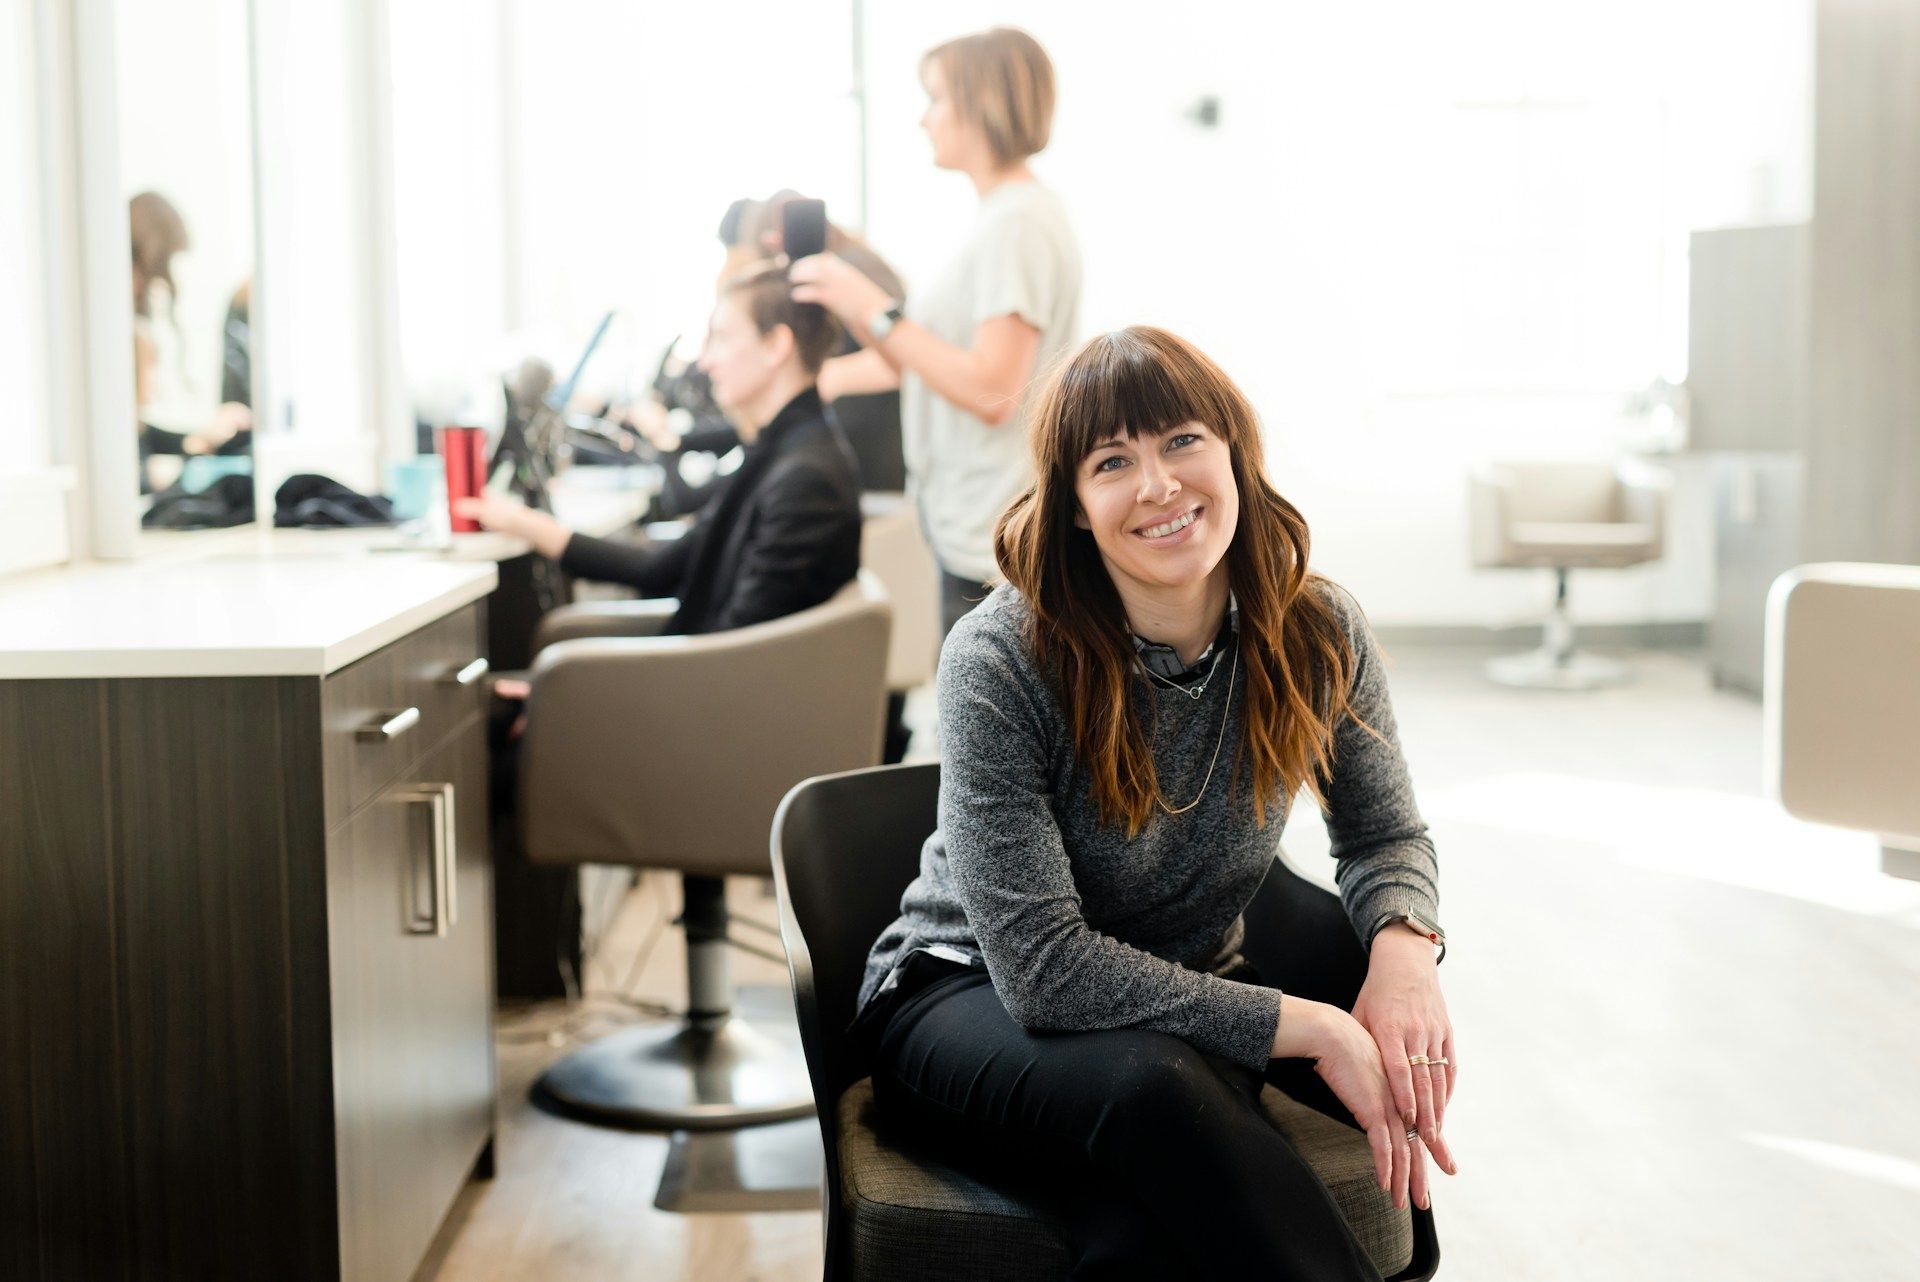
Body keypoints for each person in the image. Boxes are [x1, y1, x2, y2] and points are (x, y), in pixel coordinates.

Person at [853, 328, 1457, 1278]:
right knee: (1158, 1093)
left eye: (1181, 441)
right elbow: (1044, 971)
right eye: (1113, 462)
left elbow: (1384, 833)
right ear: (1076, 509)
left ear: (1233, 453)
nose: (1159, 485)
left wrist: (1406, 953)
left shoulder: (1318, 630)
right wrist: (1310, 1024)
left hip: (1169, 1015)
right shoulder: (999, 657)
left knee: (1142, 1235)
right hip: (964, 996)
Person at [790, 26, 1083, 638]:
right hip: (966, 524)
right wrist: (851, 306)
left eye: (937, 99)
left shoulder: (1017, 224)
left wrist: (874, 310)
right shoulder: (997, 219)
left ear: (982, 105)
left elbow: (992, 391)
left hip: (994, 538)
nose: (924, 120)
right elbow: (921, 363)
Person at [457, 261, 862, 638]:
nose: (705, 363)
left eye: (720, 339)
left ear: (776, 345)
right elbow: (658, 568)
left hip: (717, 699)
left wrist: (566, 694)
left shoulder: (803, 478)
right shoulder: (782, 453)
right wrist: (524, 523)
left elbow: (739, 653)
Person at [129, 191, 251, 483]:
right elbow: (140, 475)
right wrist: (193, 446)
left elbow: (145, 436)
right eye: (160, 265)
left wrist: (199, 439)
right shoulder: (125, 340)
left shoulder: (141, 332)